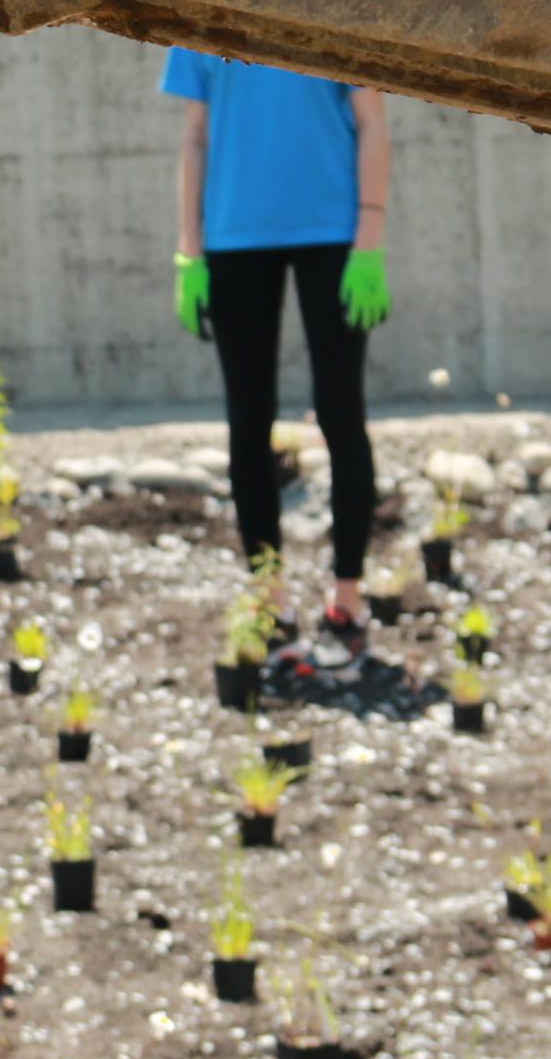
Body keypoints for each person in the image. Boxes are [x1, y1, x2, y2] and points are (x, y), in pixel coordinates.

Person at [163, 48, 391, 652]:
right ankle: (268, 596)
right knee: (248, 421)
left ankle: (347, 597)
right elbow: (195, 137)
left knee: (341, 414)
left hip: (334, 235)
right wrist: (189, 251)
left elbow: (371, 122)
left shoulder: (335, 4)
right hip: (233, 238)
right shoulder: (195, 11)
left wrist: (369, 242)